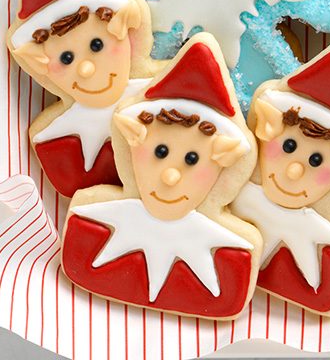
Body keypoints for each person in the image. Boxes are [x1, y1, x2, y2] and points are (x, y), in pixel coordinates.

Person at [61, 36, 261, 319]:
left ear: (223, 165)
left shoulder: (231, 256)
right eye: (160, 151)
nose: (170, 176)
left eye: (193, 159)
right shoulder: (90, 224)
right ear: (131, 144)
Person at [233, 35, 330, 316]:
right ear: (266, 131)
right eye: (288, 146)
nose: (294, 171)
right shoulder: (226, 211)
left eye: (317, 160)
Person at [7, 0, 153, 198]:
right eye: (66, 58)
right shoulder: (55, 143)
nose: (86, 69)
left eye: (97, 45)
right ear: (40, 64)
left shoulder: (169, 104)